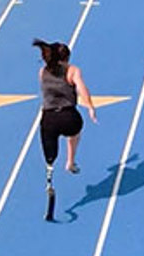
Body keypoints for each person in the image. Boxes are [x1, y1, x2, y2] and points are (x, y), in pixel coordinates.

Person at [32, 39, 97, 178]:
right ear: (66, 58)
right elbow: (82, 89)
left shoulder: (42, 72)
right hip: (69, 117)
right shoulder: (72, 71)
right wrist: (90, 106)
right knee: (74, 133)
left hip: (49, 119)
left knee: (49, 142)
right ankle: (70, 162)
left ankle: (50, 165)